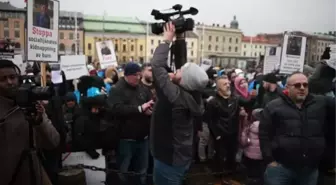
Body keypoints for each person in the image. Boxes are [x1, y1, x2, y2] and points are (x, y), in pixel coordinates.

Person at [150, 22, 209, 185]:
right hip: (182, 157)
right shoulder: (194, 95)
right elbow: (183, 67)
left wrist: (166, 40)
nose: (177, 70)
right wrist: (180, 38)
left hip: (168, 159)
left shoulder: (175, 97)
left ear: (184, 79)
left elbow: (156, 66)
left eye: (181, 70)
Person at [259, 72, 336, 185]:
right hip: (280, 169)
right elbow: (264, 134)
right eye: (297, 85)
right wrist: (269, 160)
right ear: (287, 87)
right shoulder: (273, 106)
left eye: (305, 85)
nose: (302, 88)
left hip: (310, 170)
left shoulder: (320, 103)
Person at [0, 59, 60, 185]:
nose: (9, 82)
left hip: (34, 173)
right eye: (3, 79)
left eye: (12, 77)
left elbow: (53, 142)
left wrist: (39, 122)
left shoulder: (32, 104)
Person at [108, 62, 153, 185]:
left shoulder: (142, 88)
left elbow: (149, 102)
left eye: (139, 75)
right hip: (125, 139)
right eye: (136, 75)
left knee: (142, 169)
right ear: (128, 75)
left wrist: (149, 110)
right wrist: (139, 109)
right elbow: (116, 109)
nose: (139, 78)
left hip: (143, 138)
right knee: (124, 169)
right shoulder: (116, 89)